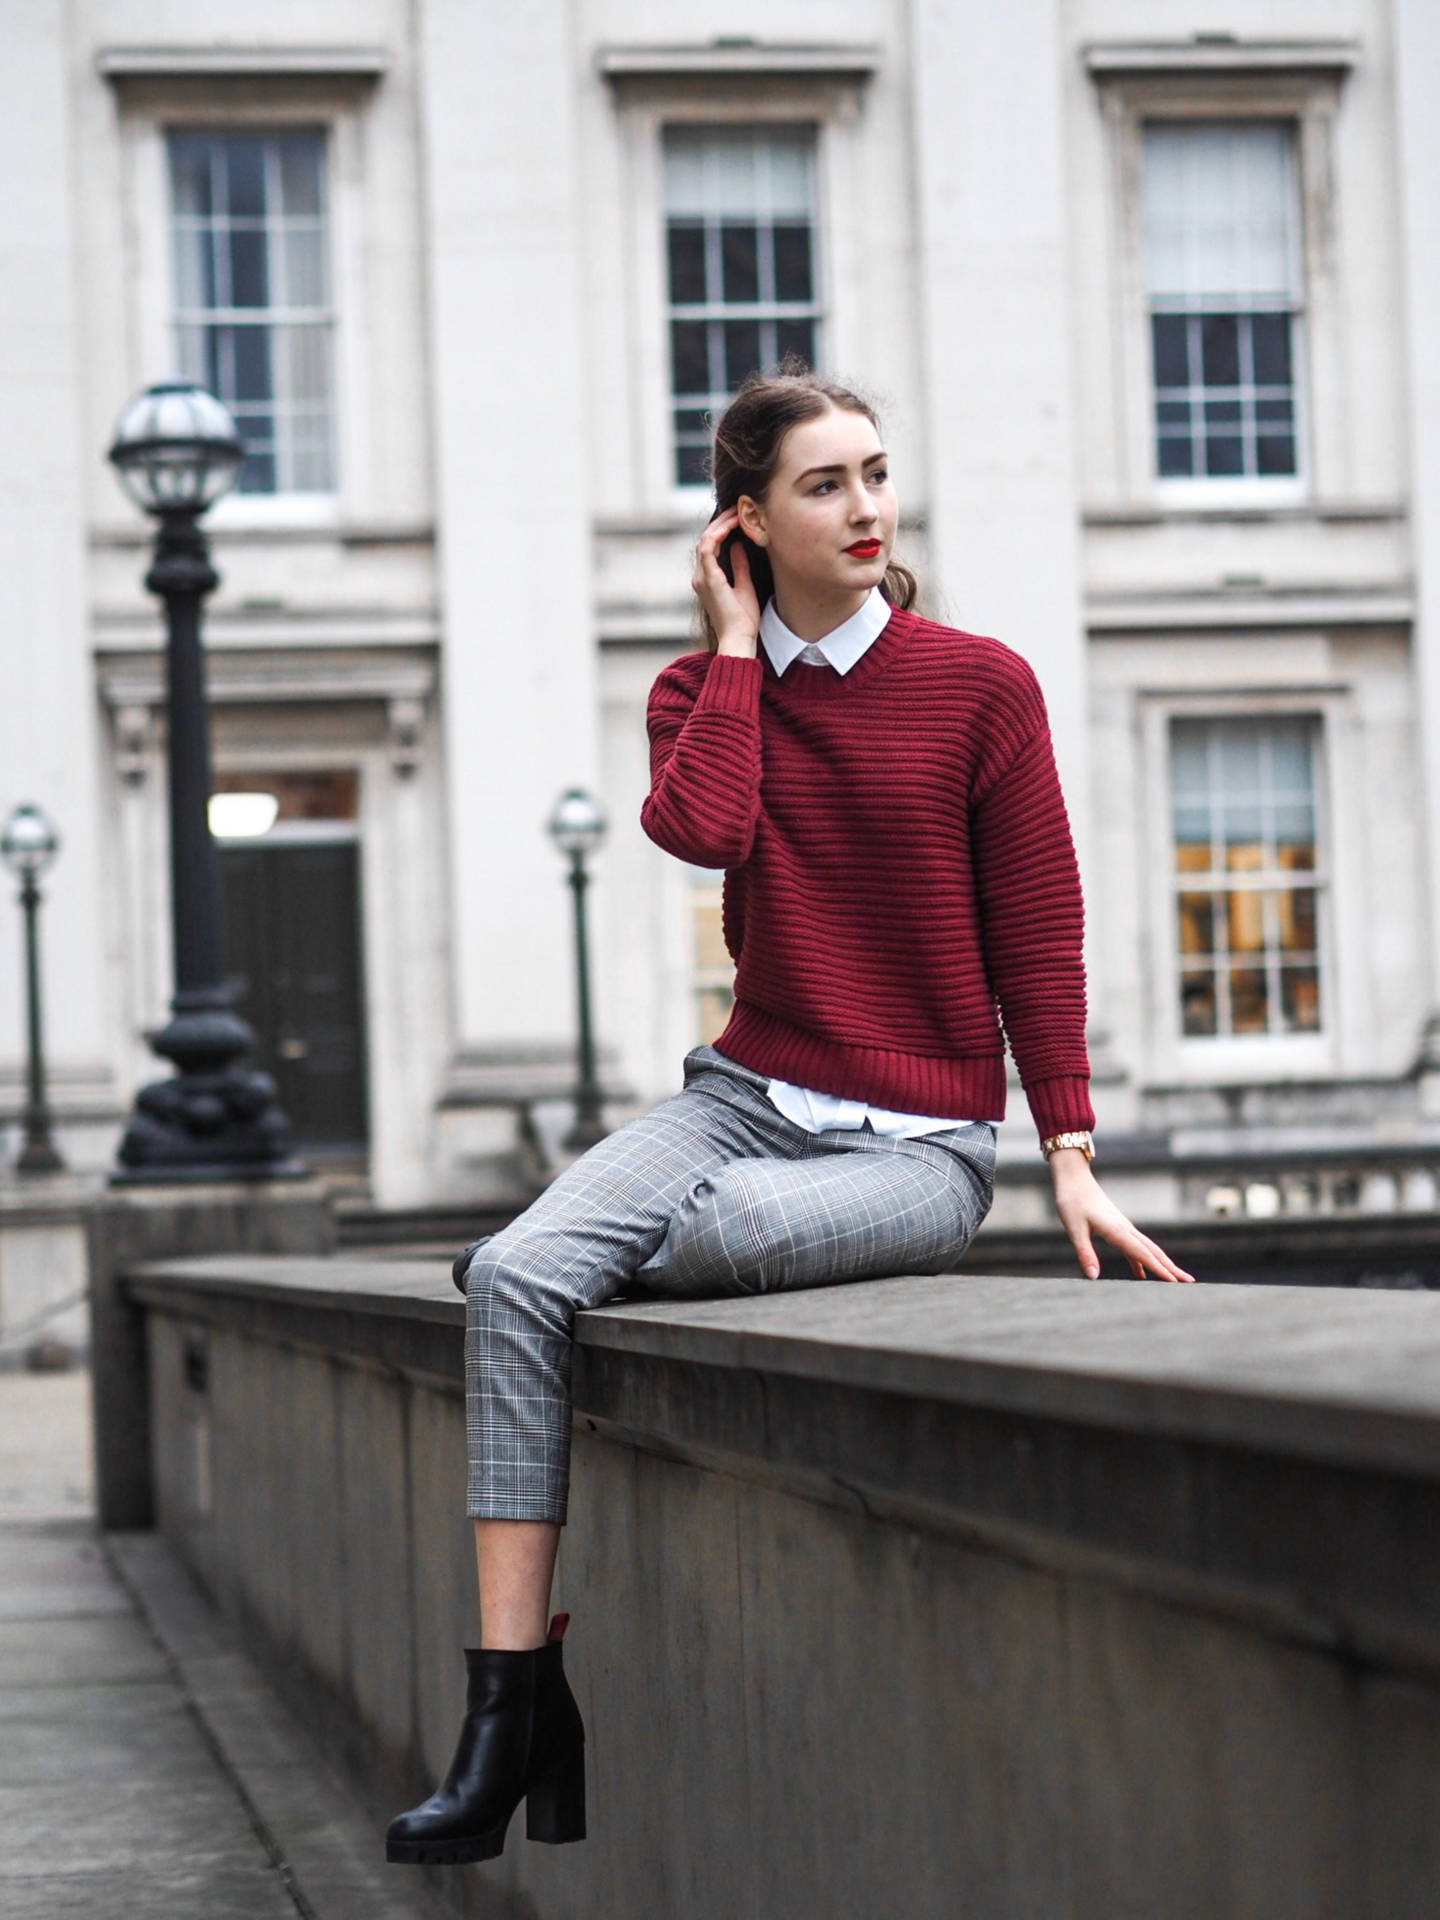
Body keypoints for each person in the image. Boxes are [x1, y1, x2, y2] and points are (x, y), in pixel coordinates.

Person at [385, 364, 1194, 1869]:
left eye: (878, 474)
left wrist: (1069, 1155)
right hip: (746, 1098)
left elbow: (1040, 929)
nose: (869, 506)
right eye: (826, 485)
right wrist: (739, 648)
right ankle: (511, 1716)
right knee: (511, 1276)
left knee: (631, 1252)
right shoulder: (703, 696)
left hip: (919, 1153)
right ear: (744, 523)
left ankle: (556, 1272)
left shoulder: (980, 686)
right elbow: (702, 835)